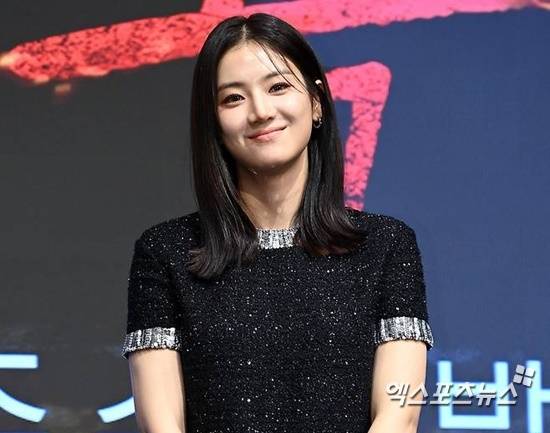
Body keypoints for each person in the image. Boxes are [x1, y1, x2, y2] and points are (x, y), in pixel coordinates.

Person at [121, 12, 434, 433]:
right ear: (213, 121)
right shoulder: (167, 253)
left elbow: (399, 415)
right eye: (234, 98)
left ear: (316, 101)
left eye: (278, 87)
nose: (261, 112)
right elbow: (162, 424)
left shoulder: (385, 245)